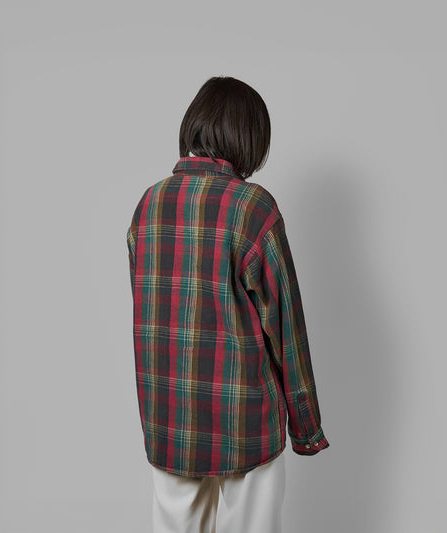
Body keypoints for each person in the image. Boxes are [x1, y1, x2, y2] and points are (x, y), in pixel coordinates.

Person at [126, 76, 330, 533]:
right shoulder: (253, 208)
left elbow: (147, 310)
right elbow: (286, 329)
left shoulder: (148, 204)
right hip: (246, 423)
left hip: (170, 420)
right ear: (249, 138)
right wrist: (306, 429)